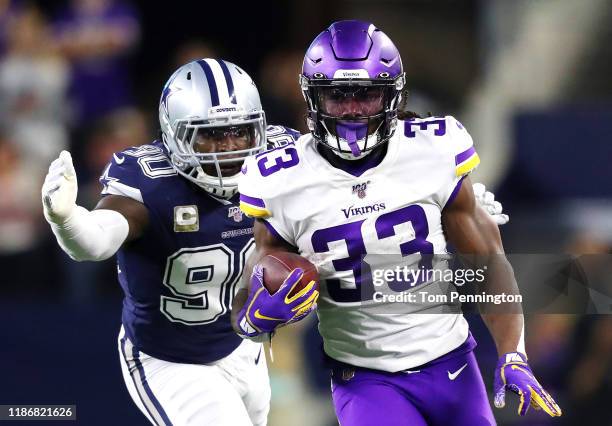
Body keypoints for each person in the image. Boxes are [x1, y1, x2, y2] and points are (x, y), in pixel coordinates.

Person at [234, 21, 561, 425]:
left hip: (452, 366)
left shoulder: (434, 150)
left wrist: (514, 352)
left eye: (367, 95)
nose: (352, 109)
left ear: (393, 94)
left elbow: (488, 261)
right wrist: (253, 316)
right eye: (338, 96)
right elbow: (253, 282)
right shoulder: (279, 180)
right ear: (312, 96)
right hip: (366, 379)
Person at [41, 58, 316, 426]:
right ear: (175, 135)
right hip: (170, 360)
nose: (229, 148)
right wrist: (67, 219)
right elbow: (95, 242)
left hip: (241, 347)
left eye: (239, 131)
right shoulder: (151, 184)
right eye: (211, 134)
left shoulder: (279, 160)